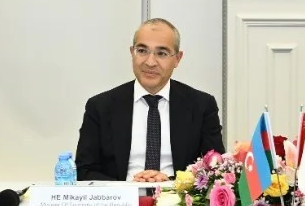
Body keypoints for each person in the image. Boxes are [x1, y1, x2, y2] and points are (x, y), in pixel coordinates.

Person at [74, 19, 224, 182]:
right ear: (132, 53)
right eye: (142, 51)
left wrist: (168, 184)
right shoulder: (100, 106)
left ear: (177, 59)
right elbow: (84, 171)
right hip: (121, 195)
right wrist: (128, 187)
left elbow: (215, 170)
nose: (150, 62)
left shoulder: (201, 106)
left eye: (162, 53)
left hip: (177, 195)